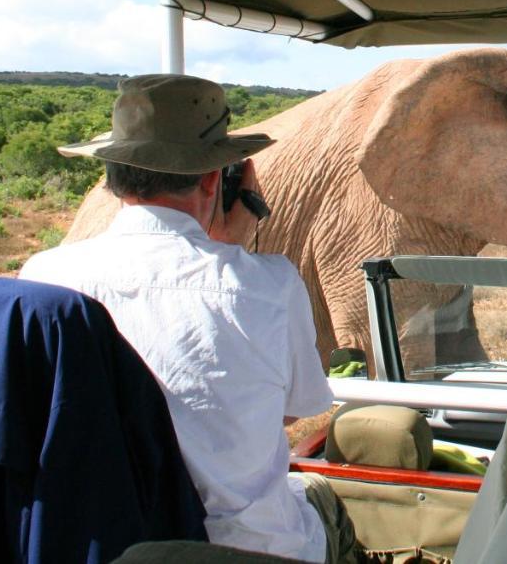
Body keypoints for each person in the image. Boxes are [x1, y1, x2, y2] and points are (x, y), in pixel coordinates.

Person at [19, 74, 359, 563]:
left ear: (113, 177)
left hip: (103, 544)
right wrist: (232, 248)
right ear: (212, 178)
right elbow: (290, 410)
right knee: (322, 499)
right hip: (250, 549)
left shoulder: (46, 275)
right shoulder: (269, 285)